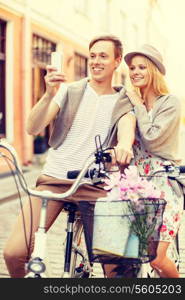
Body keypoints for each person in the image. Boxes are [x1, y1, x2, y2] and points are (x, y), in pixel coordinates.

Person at [3, 35, 136, 278]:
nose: (95, 61)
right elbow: (33, 127)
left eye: (103, 56)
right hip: (54, 180)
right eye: (93, 55)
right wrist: (48, 93)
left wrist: (124, 146)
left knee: (117, 269)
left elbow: (127, 130)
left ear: (117, 61)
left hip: (96, 185)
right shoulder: (69, 90)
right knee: (14, 253)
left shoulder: (123, 100)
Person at [124, 44, 184, 278]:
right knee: (131, 257)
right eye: (131, 67)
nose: (134, 72)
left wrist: (138, 105)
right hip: (137, 189)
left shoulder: (170, 102)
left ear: (154, 71)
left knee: (157, 258)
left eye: (141, 67)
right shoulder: (130, 104)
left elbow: (152, 139)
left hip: (165, 189)